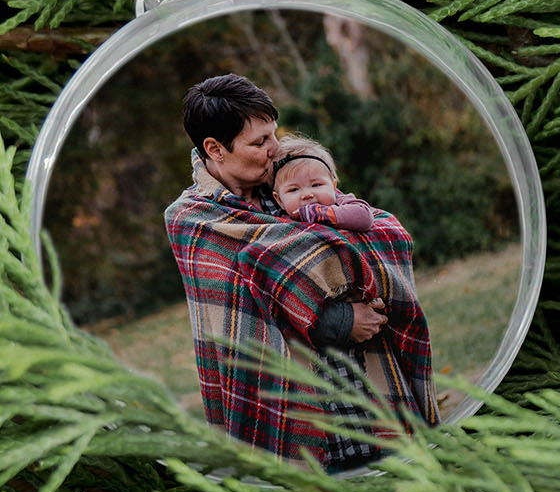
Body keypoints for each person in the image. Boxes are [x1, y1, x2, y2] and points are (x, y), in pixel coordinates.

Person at [163, 74, 433, 470]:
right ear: (215, 149)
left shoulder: (291, 178)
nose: (275, 149)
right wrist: (339, 319)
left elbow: (369, 233)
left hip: (368, 383)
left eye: (273, 134)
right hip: (293, 409)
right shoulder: (192, 218)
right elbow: (239, 325)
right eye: (259, 142)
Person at [269, 133, 438, 456]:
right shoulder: (278, 228)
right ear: (278, 199)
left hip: (372, 335)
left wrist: (321, 216)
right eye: (294, 190)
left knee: (379, 407)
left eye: (316, 184)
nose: (307, 196)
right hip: (320, 345)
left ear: (334, 182)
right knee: (339, 413)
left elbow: (366, 223)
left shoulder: (348, 207)